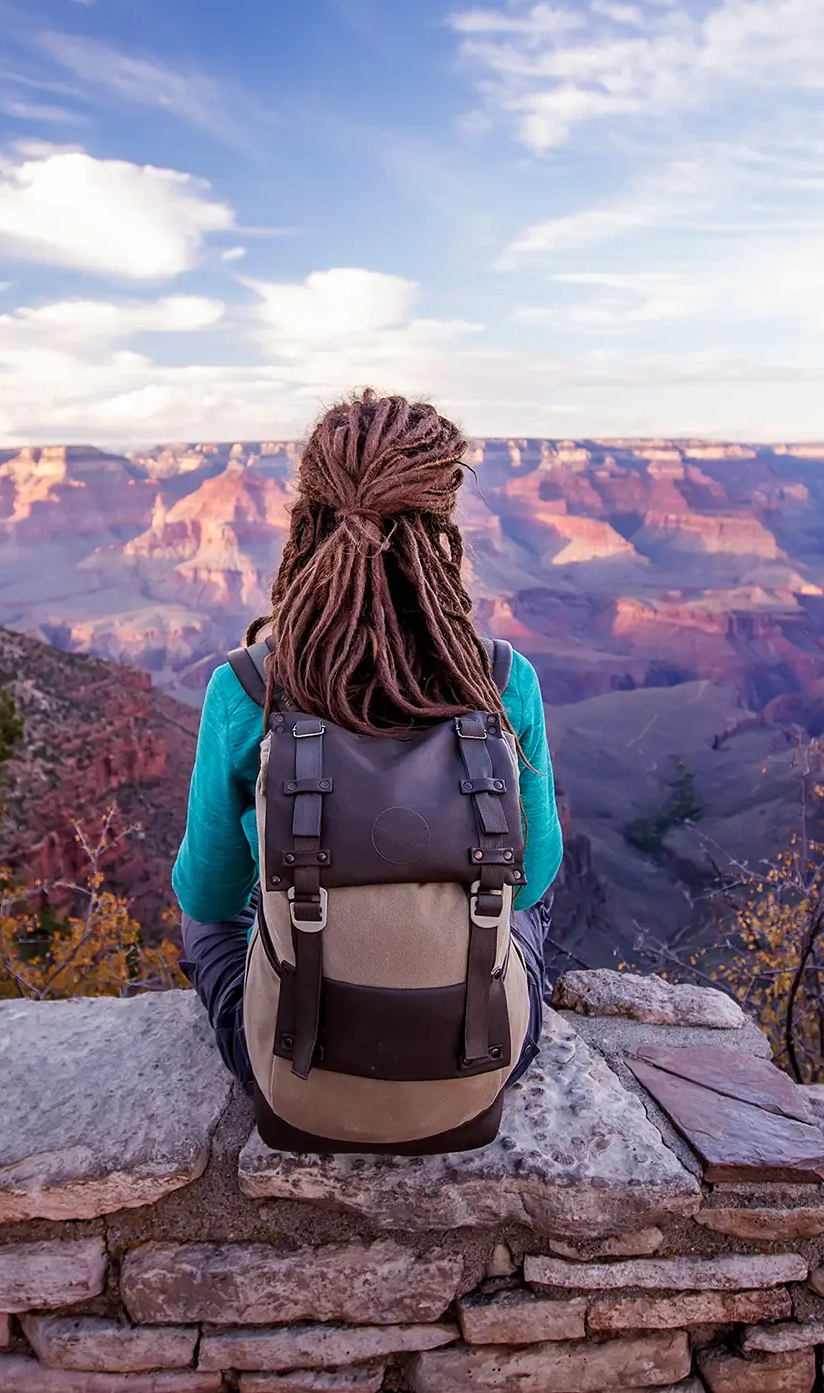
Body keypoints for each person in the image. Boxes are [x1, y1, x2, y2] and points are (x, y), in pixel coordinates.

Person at [174, 389, 563, 1120]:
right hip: (478, 1070)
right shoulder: (503, 682)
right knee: (531, 904)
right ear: (443, 522)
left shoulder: (247, 688)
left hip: (291, 1078)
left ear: (308, 518)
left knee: (209, 921)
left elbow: (205, 896)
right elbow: (536, 878)